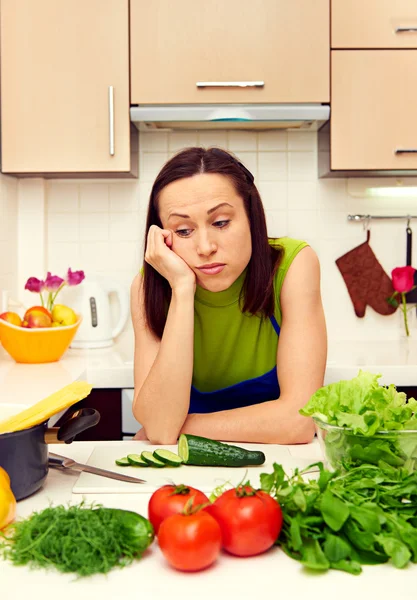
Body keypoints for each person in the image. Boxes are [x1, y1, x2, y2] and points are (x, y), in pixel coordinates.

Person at [130, 147, 327, 445]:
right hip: (182, 467)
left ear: (252, 217)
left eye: (221, 223)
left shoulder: (293, 266)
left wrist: (178, 426)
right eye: (183, 230)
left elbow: (298, 423)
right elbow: (158, 428)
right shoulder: (150, 288)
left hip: (277, 463)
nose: (205, 246)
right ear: (162, 238)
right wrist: (183, 289)